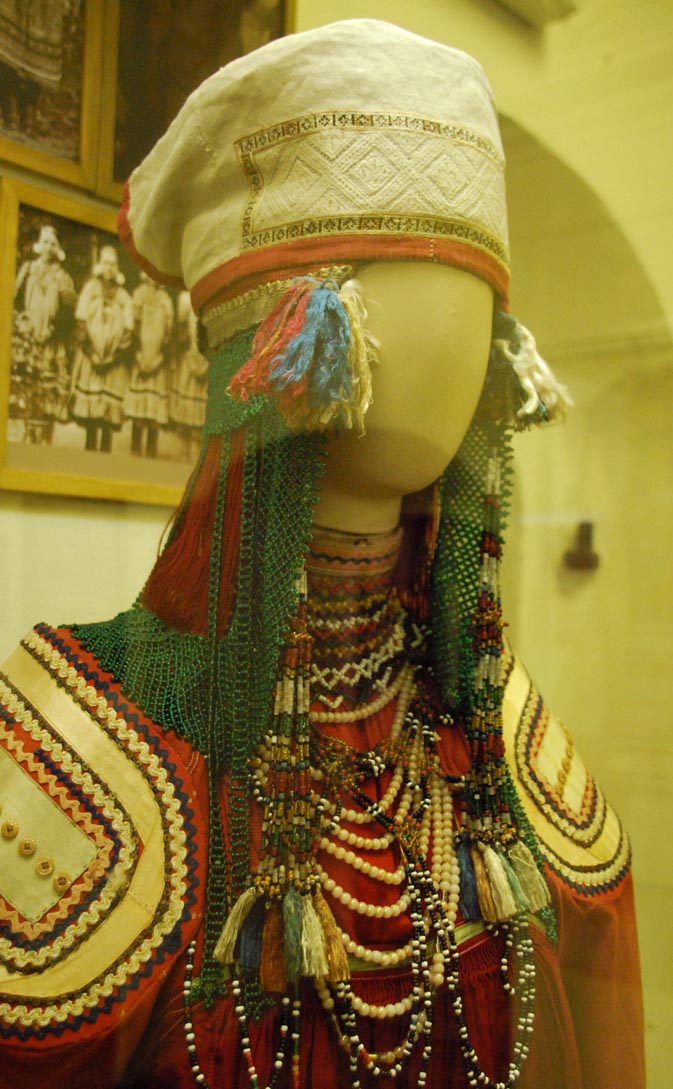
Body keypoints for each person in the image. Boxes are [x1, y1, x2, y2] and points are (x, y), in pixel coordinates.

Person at [0, 21, 644, 1089]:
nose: (446, 358)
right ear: (276, 341)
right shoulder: (82, 739)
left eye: (472, 315)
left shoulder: (494, 731)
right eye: (384, 305)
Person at [12, 223, 76, 443]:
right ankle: (28, 437)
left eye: (53, 243)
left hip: (51, 341)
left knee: (49, 392)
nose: (48, 247)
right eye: (45, 242)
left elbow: (68, 314)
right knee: (28, 389)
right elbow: (15, 301)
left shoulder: (63, 277)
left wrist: (53, 331)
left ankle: (46, 439)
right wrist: (22, 327)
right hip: (28, 340)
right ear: (39, 244)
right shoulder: (28, 269)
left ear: (58, 248)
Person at [69, 245, 133, 453]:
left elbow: (128, 330)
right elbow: (81, 322)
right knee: (92, 413)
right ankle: (89, 449)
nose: (109, 268)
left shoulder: (124, 296)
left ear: (117, 268)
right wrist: (92, 354)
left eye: (113, 264)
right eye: (106, 263)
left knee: (107, 413)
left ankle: (105, 452)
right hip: (91, 359)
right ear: (100, 266)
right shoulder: (90, 289)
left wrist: (113, 357)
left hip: (113, 363)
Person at [126, 273, 173, 458]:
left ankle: (151, 448)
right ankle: (135, 447)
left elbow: (169, 332)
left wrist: (161, 357)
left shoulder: (165, 299)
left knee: (154, 406)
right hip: (141, 355)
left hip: (158, 357)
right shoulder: (138, 294)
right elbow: (134, 326)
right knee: (139, 407)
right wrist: (138, 354)